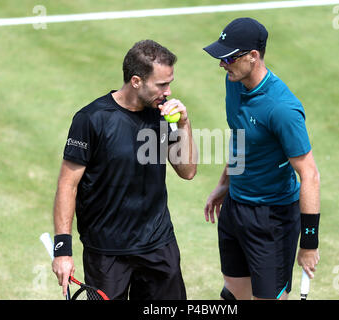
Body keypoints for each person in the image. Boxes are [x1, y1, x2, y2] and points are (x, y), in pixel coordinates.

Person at [51, 39, 197, 300]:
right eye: (162, 84)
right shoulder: (91, 119)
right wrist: (63, 249)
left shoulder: (162, 115)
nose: (168, 91)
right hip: (107, 252)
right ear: (136, 81)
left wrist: (184, 125)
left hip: (158, 245)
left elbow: (187, 171)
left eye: (170, 83)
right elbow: (67, 184)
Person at [203, 18, 321, 300]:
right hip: (236, 208)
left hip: (272, 219)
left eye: (229, 57)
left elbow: (310, 174)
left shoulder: (282, 109)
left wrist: (309, 244)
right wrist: (225, 184)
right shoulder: (234, 81)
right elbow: (240, 137)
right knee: (233, 295)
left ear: (253, 56)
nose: (222, 64)